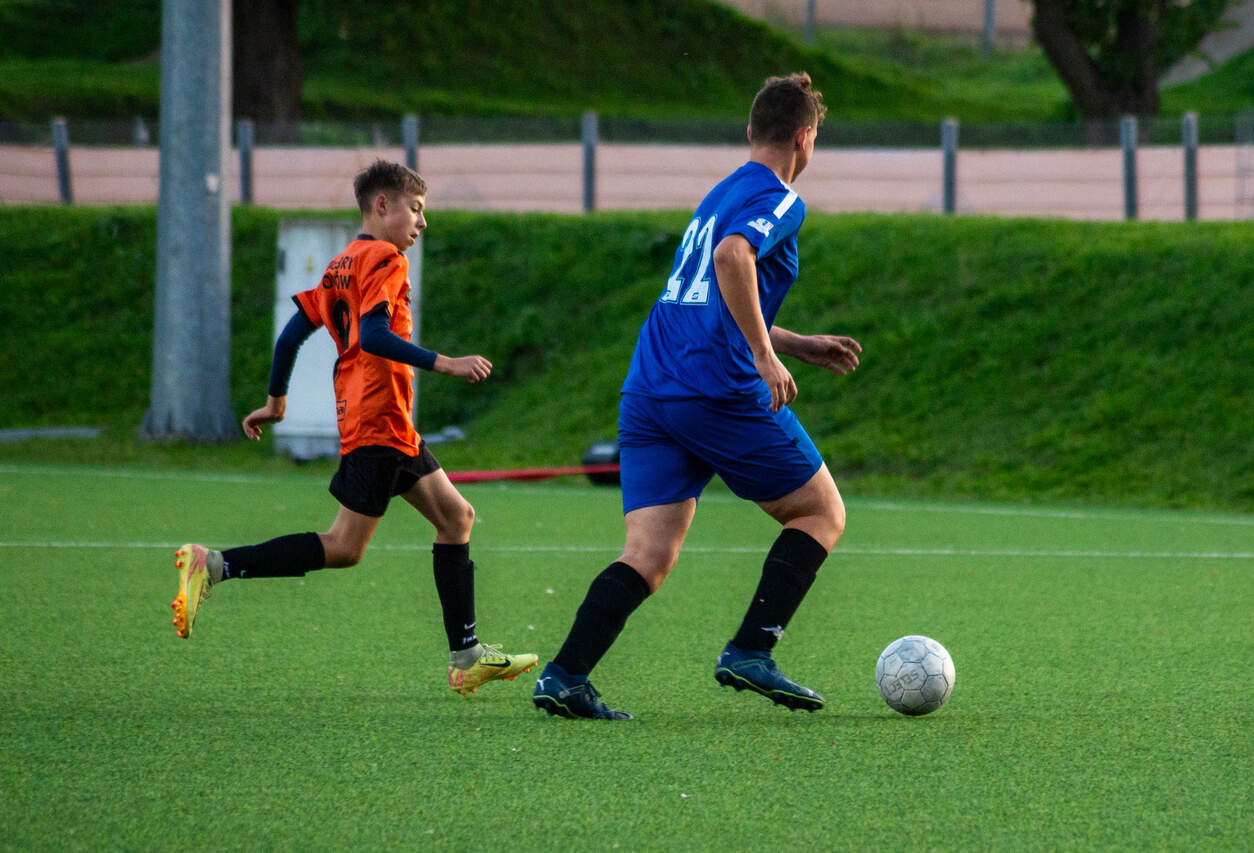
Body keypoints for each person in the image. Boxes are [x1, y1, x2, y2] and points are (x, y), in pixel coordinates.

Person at [533, 73, 860, 720]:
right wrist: (764, 356)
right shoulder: (780, 198)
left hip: (650, 388)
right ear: (804, 138)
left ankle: (564, 675)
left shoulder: (720, 192)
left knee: (647, 554)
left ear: (750, 130)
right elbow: (733, 260)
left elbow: (703, 298)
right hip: (714, 388)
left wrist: (791, 342)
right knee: (821, 512)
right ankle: (751, 649)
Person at [169, 159, 537, 697]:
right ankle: (214, 565)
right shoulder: (386, 258)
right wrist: (446, 363)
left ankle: (467, 657)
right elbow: (374, 336)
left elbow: (290, 337)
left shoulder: (341, 264)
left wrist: (275, 401)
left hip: (386, 422)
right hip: (378, 420)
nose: (422, 222)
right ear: (382, 205)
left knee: (457, 517)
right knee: (344, 546)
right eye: (416, 209)